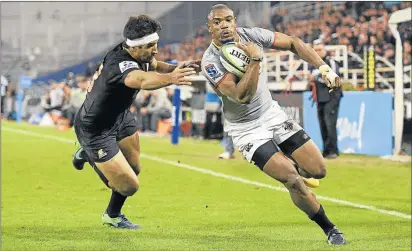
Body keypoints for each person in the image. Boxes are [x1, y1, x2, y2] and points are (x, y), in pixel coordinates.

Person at [201, 4, 346, 245]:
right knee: (292, 180)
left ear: (234, 21)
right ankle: (330, 228)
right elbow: (241, 96)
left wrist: (323, 68)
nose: (224, 25)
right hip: (246, 129)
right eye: (217, 22)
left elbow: (293, 42)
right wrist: (255, 59)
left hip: (272, 114)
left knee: (318, 170)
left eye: (228, 20)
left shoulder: (250, 35)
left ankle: (292, 164)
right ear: (209, 28)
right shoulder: (210, 61)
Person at [71, 14, 198, 230]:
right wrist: (172, 79)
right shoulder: (118, 65)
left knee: (134, 167)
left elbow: (155, 65)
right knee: (129, 186)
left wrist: (179, 67)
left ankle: (112, 215)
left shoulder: (140, 54)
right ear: (135, 48)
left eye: (156, 44)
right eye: (150, 46)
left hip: (120, 117)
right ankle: (87, 152)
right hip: (95, 129)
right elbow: (139, 79)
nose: (155, 50)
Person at [311, 41, 343, 159]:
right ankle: (326, 150)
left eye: (320, 49)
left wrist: (315, 78)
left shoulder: (331, 62)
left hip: (332, 96)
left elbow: (334, 78)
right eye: (316, 50)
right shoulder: (313, 64)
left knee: (330, 124)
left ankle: (333, 150)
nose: (318, 52)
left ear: (325, 50)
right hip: (320, 97)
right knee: (323, 124)